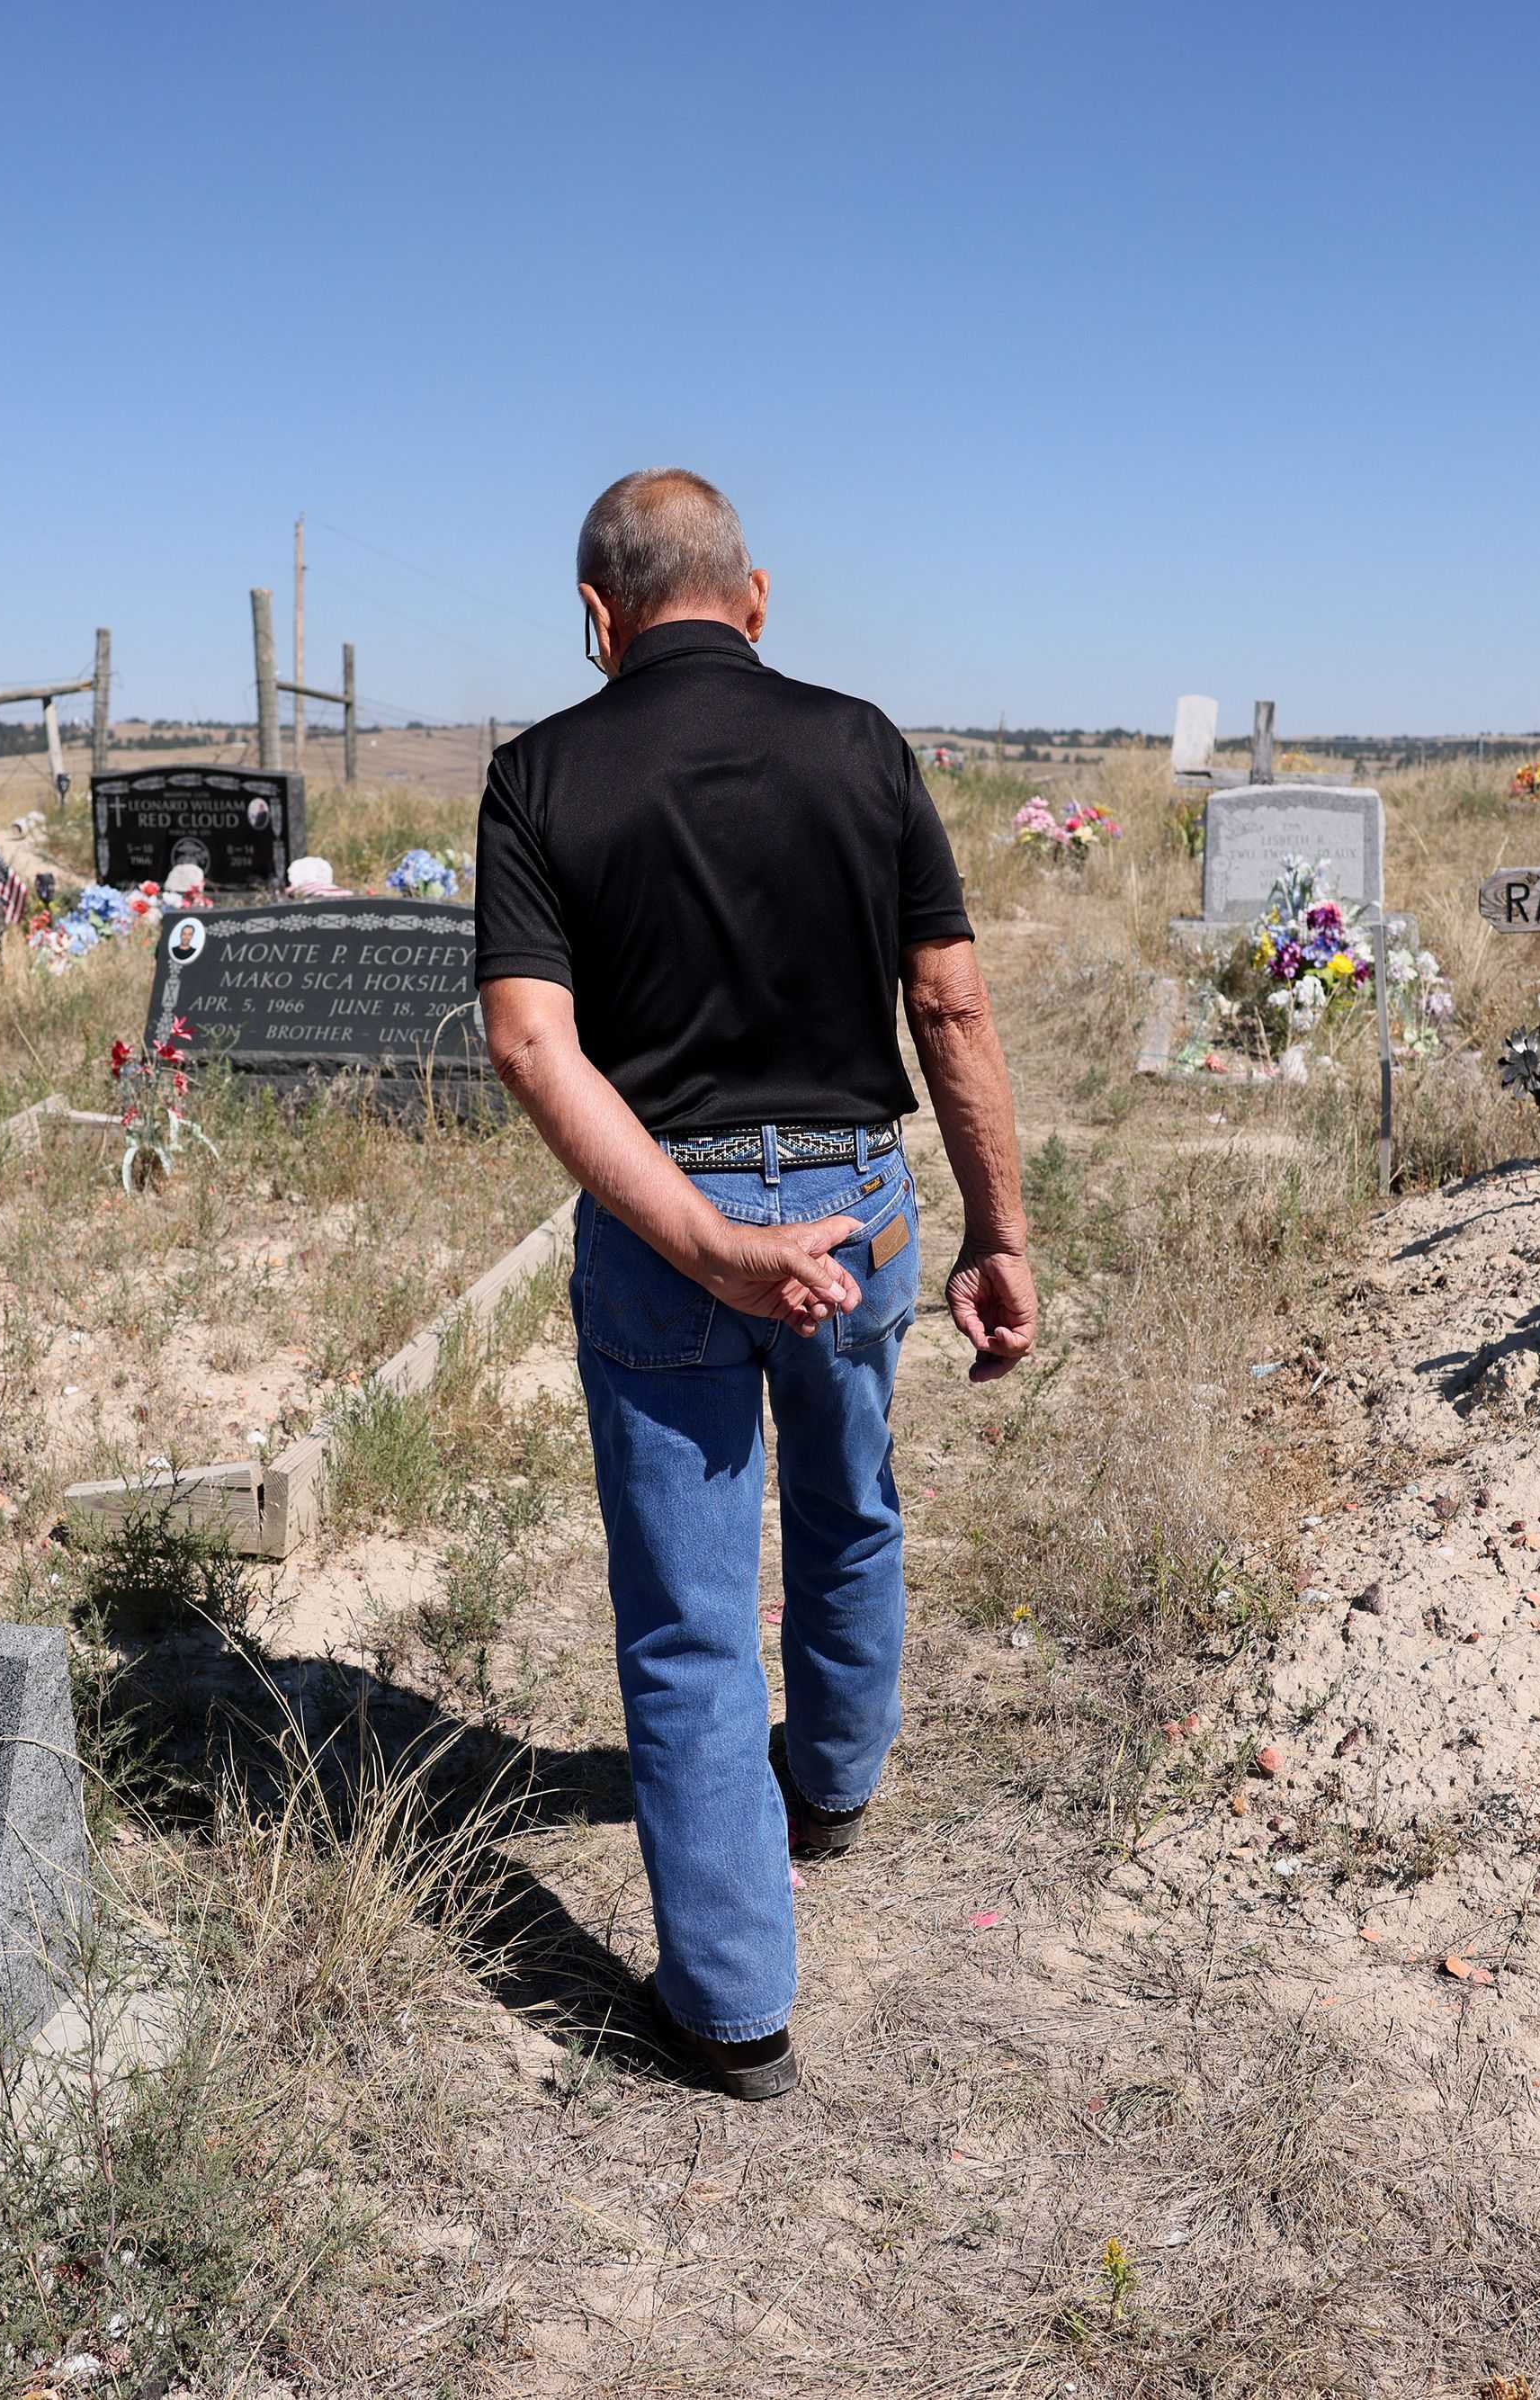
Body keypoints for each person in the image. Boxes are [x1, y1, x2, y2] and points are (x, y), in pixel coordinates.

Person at [478, 469, 1037, 2101]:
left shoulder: (537, 776)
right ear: (759, 597)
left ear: (597, 617)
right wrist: (1000, 1230)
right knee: (850, 1502)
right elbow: (949, 1007)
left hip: (667, 1229)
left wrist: (708, 1242)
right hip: (857, 1202)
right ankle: (834, 1787)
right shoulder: (862, 744)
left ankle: (734, 2012)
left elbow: (530, 1042)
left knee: (690, 1621)